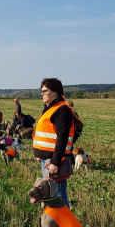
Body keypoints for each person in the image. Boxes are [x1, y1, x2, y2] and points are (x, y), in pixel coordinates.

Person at [33, 78, 76, 207]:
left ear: (55, 92)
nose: (42, 94)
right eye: (41, 91)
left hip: (54, 161)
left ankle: (64, 226)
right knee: (51, 196)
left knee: (58, 198)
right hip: (47, 160)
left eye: (45, 91)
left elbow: (62, 138)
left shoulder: (61, 110)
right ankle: (55, 224)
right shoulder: (50, 108)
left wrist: (55, 163)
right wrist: (39, 153)